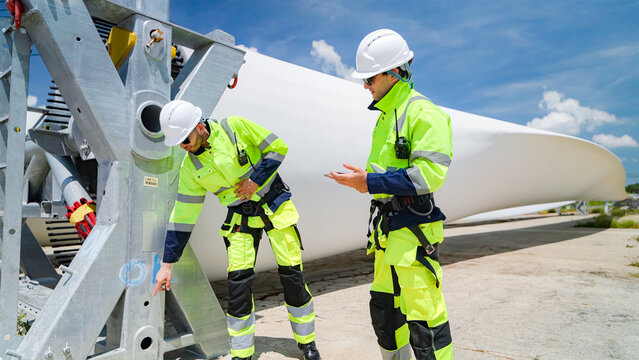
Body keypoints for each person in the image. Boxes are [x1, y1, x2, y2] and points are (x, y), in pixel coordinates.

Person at [153, 100, 321, 360]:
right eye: (178, 143)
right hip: (241, 218)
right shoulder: (191, 168)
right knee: (238, 286)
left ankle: (307, 342)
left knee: (292, 277)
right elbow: (183, 216)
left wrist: (255, 181)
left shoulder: (234, 127)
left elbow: (278, 147)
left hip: (275, 207)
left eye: (185, 140)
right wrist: (167, 263)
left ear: (199, 127)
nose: (183, 147)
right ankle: (242, 353)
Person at [328, 29, 453, 360]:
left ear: (393, 72)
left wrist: (369, 182)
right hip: (388, 235)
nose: (365, 85)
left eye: (369, 78)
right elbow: (389, 174)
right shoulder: (386, 117)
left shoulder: (424, 113)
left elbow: (430, 175)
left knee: (425, 323)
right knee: (385, 315)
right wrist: (367, 179)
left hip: (413, 235)